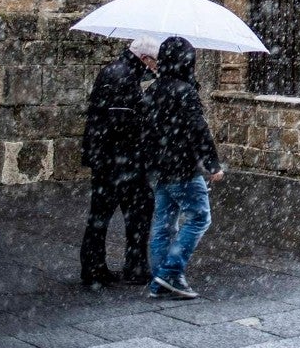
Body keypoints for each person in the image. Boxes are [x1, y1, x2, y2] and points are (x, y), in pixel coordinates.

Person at [143, 35, 224, 299]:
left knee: (164, 223)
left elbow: (147, 131)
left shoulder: (154, 89)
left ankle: (161, 279)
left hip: (160, 167)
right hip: (182, 168)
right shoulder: (185, 91)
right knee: (200, 217)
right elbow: (198, 130)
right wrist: (212, 165)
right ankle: (168, 274)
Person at [79, 36, 159, 288]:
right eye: (155, 62)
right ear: (145, 59)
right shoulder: (124, 77)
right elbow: (123, 123)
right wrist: (147, 109)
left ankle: (95, 267)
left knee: (102, 214)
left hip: (108, 158)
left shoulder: (117, 72)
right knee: (137, 211)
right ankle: (130, 266)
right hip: (121, 160)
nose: (157, 67)